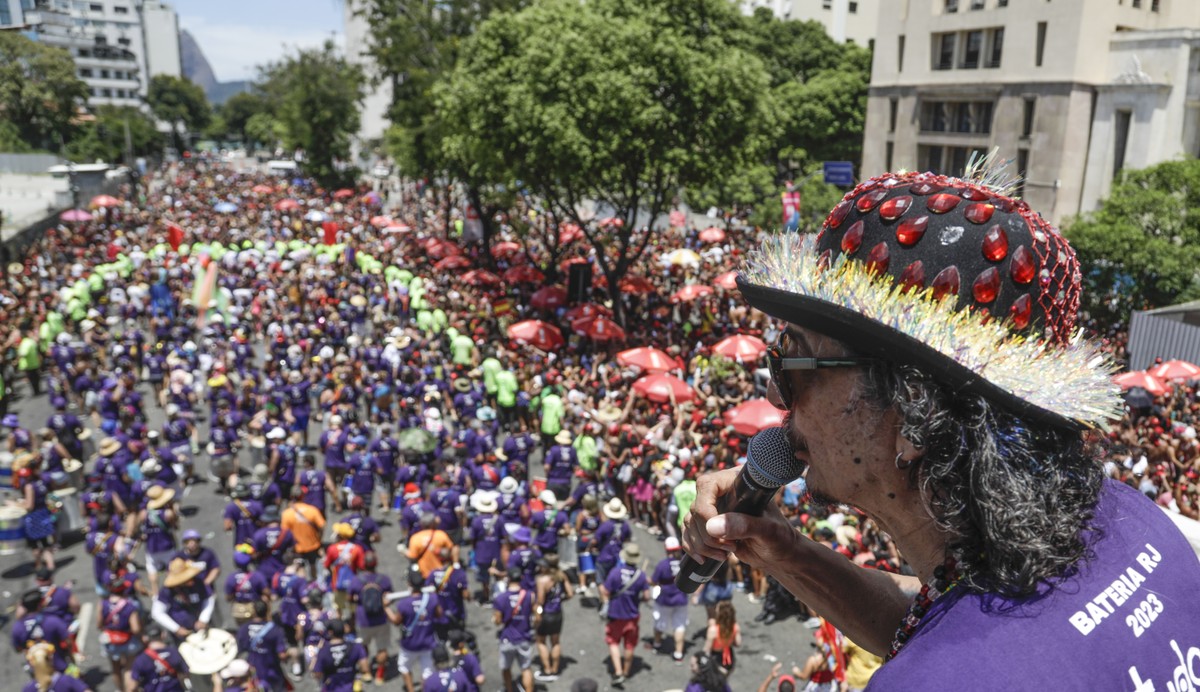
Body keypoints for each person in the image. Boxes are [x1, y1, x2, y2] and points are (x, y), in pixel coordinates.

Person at [681, 170, 1200, 686]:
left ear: (913, 417)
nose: (775, 394)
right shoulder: (1125, 518)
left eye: (795, 357)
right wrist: (787, 553)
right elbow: (950, 624)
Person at [599, 542, 648, 686]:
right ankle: (626, 671)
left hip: (615, 614)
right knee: (630, 645)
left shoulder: (615, 572)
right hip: (632, 615)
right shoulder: (641, 575)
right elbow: (646, 596)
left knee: (613, 642)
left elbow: (606, 591)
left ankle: (618, 671)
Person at [389, 566, 440, 692]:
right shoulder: (432, 599)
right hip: (428, 641)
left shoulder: (404, 603)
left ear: (409, 583)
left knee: (404, 667)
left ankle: (411, 689)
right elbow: (439, 614)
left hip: (410, 644)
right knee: (427, 671)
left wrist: (386, 608)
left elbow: (396, 621)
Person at [348, 552, 394, 686]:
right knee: (382, 648)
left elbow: (350, 599)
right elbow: (389, 598)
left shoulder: (357, 580)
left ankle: (366, 672)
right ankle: (380, 675)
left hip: (364, 620)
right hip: (381, 620)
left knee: (363, 646)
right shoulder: (384, 579)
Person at [492, 565, 535, 692]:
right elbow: (536, 615)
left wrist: (495, 619)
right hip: (524, 636)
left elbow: (498, 621)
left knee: (506, 668)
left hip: (507, 638)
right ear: (521, 578)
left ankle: (509, 689)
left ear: (508, 578)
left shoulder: (500, 598)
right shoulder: (529, 595)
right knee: (526, 668)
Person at [533, 554, 573, 682]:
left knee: (541, 641)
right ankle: (555, 669)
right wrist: (559, 600)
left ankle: (547, 669)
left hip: (546, 615)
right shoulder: (562, 576)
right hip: (557, 614)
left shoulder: (542, 580)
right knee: (555, 642)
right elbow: (570, 594)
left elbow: (540, 601)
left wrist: (537, 614)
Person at [98, 575, 142, 690]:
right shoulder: (130, 605)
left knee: (115, 669)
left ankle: (120, 689)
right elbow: (136, 628)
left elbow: (99, 624)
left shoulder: (103, 604)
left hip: (111, 640)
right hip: (127, 640)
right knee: (129, 669)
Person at [236, 600, 290, 692]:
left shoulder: (243, 629)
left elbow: (241, 650)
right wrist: (290, 654)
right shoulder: (276, 630)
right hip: (272, 672)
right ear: (267, 612)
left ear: (253, 612)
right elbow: (282, 655)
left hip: (253, 672)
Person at [651, 537, 688, 662]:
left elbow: (654, 581)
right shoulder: (685, 562)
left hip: (665, 600)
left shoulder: (663, 565)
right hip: (681, 599)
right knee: (679, 626)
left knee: (660, 623)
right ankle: (678, 653)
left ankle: (657, 644)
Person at [127, 623, 189, 692]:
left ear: (145, 638)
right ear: (163, 635)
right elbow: (186, 674)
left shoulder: (141, 659)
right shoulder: (174, 652)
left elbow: (132, 686)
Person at [311, 618, 369, 692]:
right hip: (351, 688)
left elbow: (318, 674)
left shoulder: (323, 651)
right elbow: (365, 668)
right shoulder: (356, 647)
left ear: (330, 632)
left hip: (331, 688)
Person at [281, 487, 326, 577]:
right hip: (312, 544)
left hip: (296, 547)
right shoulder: (312, 510)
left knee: (300, 567)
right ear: (303, 496)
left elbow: (284, 532)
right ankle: (314, 583)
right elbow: (322, 526)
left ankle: (302, 586)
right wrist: (319, 538)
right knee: (313, 565)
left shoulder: (286, 514)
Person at [703, 601, 741, 676]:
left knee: (715, 679)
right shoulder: (735, 627)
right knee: (725, 678)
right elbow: (738, 643)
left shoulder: (713, 630)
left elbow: (706, 650)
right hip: (728, 654)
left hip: (716, 658)